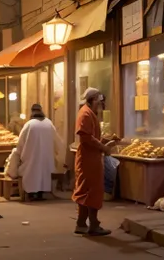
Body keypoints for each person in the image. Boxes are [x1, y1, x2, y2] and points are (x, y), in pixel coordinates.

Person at [72, 88, 114, 236]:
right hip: (88, 159)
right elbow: (85, 137)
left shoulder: (88, 113)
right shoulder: (85, 113)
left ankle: (83, 223)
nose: (100, 105)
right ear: (92, 100)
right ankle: (92, 224)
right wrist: (103, 147)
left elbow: (90, 137)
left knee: (86, 191)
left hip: (91, 158)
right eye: (98, 101)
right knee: (92, 191)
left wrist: (105, 141)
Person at [12, 104, 61, 200]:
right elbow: (56, 140)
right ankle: (40, 193)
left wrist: (19, 153)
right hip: (45, 156)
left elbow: (21, 142)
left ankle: (32, 193)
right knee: (43, 174)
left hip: (32, 157)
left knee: (32, 173)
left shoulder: (29, 124)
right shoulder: (49, 123)